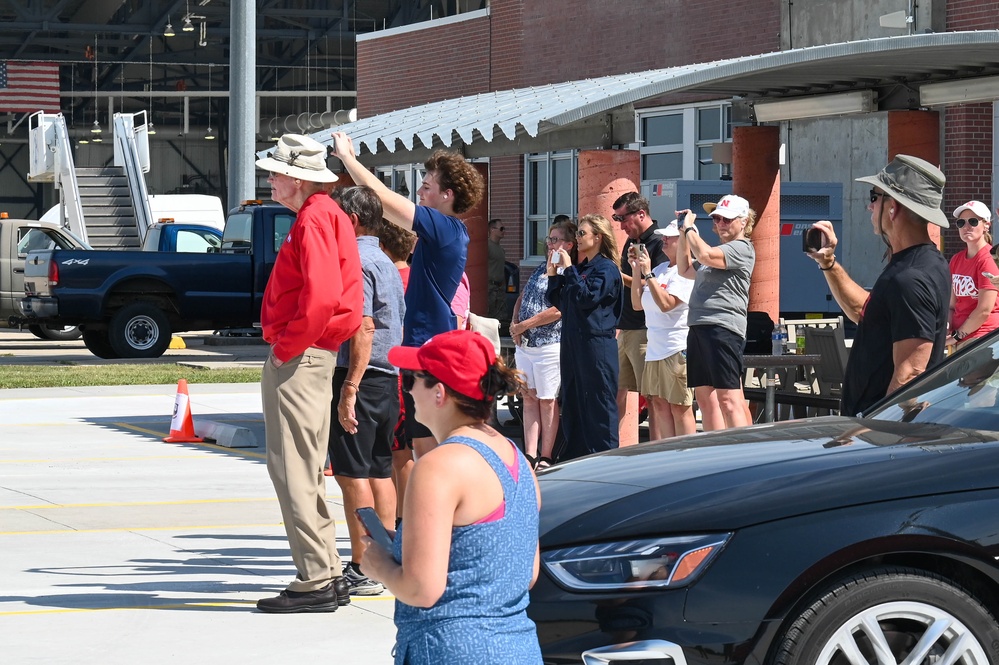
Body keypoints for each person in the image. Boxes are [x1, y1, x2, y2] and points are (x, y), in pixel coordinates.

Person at [361, 330, 542, 665]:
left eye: (414, 379)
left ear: (440, 393)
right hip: (518, 647)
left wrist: (380, 565)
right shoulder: (517, 459)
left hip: (451, 648)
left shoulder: (438, 467)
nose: (410, 389)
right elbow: (525, 573)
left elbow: (422, 589)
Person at [253, 134, 363, 613]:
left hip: (303, 355)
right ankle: (326, 572)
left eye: (276, 173)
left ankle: (317, 577)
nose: (271, 179)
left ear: (296, 178)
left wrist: (286, 349)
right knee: (306, 466)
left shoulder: (315, 218)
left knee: (293, 468)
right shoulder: (326, 215)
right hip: (315, 352)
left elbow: (320, 298)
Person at [332, 132, 485, 460]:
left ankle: (431, 510)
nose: (419, 192)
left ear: (448, 194)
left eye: (427, 186)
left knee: (426, 449)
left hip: (429, 352)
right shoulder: (445, 232)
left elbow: (383, 199)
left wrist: (348, 158)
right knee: (412, 447)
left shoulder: (444, 227)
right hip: (423, 349)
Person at [806, 154, 951, 416]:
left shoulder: (910, 278)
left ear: (893, 208)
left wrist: (874, 434)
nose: (869, 207)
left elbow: (910, 373)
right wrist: (828, 263)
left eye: (874, 197)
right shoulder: (919, 265)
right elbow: (867, 312)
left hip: (878, 436)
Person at [328, 186, 406, 597]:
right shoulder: (387, 261)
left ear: (353, 221)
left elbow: (363, 326)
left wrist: (349, 389)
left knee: (352, 474)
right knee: (378, 470)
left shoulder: (356, 259)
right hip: (386, 374)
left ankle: (362, 564)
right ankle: (384, 555)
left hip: (359, 373)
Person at [547, 214, 623, 459]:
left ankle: (606, 458)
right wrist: (553, 276)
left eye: (582, 233)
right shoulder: (581, 269)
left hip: (596, 344)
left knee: (598, 403)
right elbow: (561, 302)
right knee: (573, 401)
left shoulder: (607, 269)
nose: (578, 238)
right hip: (573, 343)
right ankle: (576, 457)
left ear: (598, 237)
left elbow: (586, 298)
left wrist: (568, 269)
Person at [677, 195, 756, 431]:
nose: (720, 223)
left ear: (743, 222)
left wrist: (690, 228)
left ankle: (742, 455)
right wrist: (683, 233)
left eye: (726, 219)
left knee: (728, 400)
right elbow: (684, 268)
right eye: (717, 219)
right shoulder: (719, 250)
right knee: (705, 398)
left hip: (722, 327)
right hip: (701, 326)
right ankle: (718, 451)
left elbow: (704, 255)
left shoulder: (741, 248)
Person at [509, 218, 576, 468]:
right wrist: (515, 323)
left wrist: (524, 325)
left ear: (569, 245)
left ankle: (546, 455)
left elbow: (558, 310)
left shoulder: (567, 271)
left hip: (549, 345)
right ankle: (529, 452)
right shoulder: (541, 266)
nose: (550, 243)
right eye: (549, 239)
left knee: (547, 401)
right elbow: (523, 296)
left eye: (556, 239)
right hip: (525, 344)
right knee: (529, 398)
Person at [630, 220, 696, 439]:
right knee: (658, 405)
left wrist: (648, 275)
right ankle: (669, 456)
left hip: (676, 349)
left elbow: (667, 305)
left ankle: (686, 456)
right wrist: (638, 271)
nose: (663, 240)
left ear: (685, 242)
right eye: (663, 236)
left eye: (669, 237)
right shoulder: (659, 269)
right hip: (654, 349)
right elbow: (637, 305)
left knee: (679, 407)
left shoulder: (686, 272)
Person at [612, 192, 665, 445]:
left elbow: (654, 286)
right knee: (618, 392)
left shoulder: (658, 243)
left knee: (653, 397)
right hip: (625, 327)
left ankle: (656, 449)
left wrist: (617, 275)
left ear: (641, 214)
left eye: (623, 219)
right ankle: (615, 448)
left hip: (646, 330)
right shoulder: (631, 241)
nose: (621, 226)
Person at [378, 222, 418, 526]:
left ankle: (402, 518)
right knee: (401, 452)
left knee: (398, 453)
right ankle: (400, 516)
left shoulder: (389, 277)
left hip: (395, 372)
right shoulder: (416, 277)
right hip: (412, 372)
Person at [948, 200, 999, 348]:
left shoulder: (988, 259)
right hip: (960, 339)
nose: (966, 227)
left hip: (982, 339)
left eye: (973, 221)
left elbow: (984, 310)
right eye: (961, 223)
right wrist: (947, 326)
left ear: (986, 225)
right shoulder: (956, 260)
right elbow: (952, 305)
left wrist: (956, 337)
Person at [487, 219, 507, 319]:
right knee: (488, 316)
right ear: (492, 229)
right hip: (490, 288)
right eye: (501, 228)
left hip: (499, 289)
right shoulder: (486, 246)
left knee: (499, 318)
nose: (504, 231)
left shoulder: (501, 249)